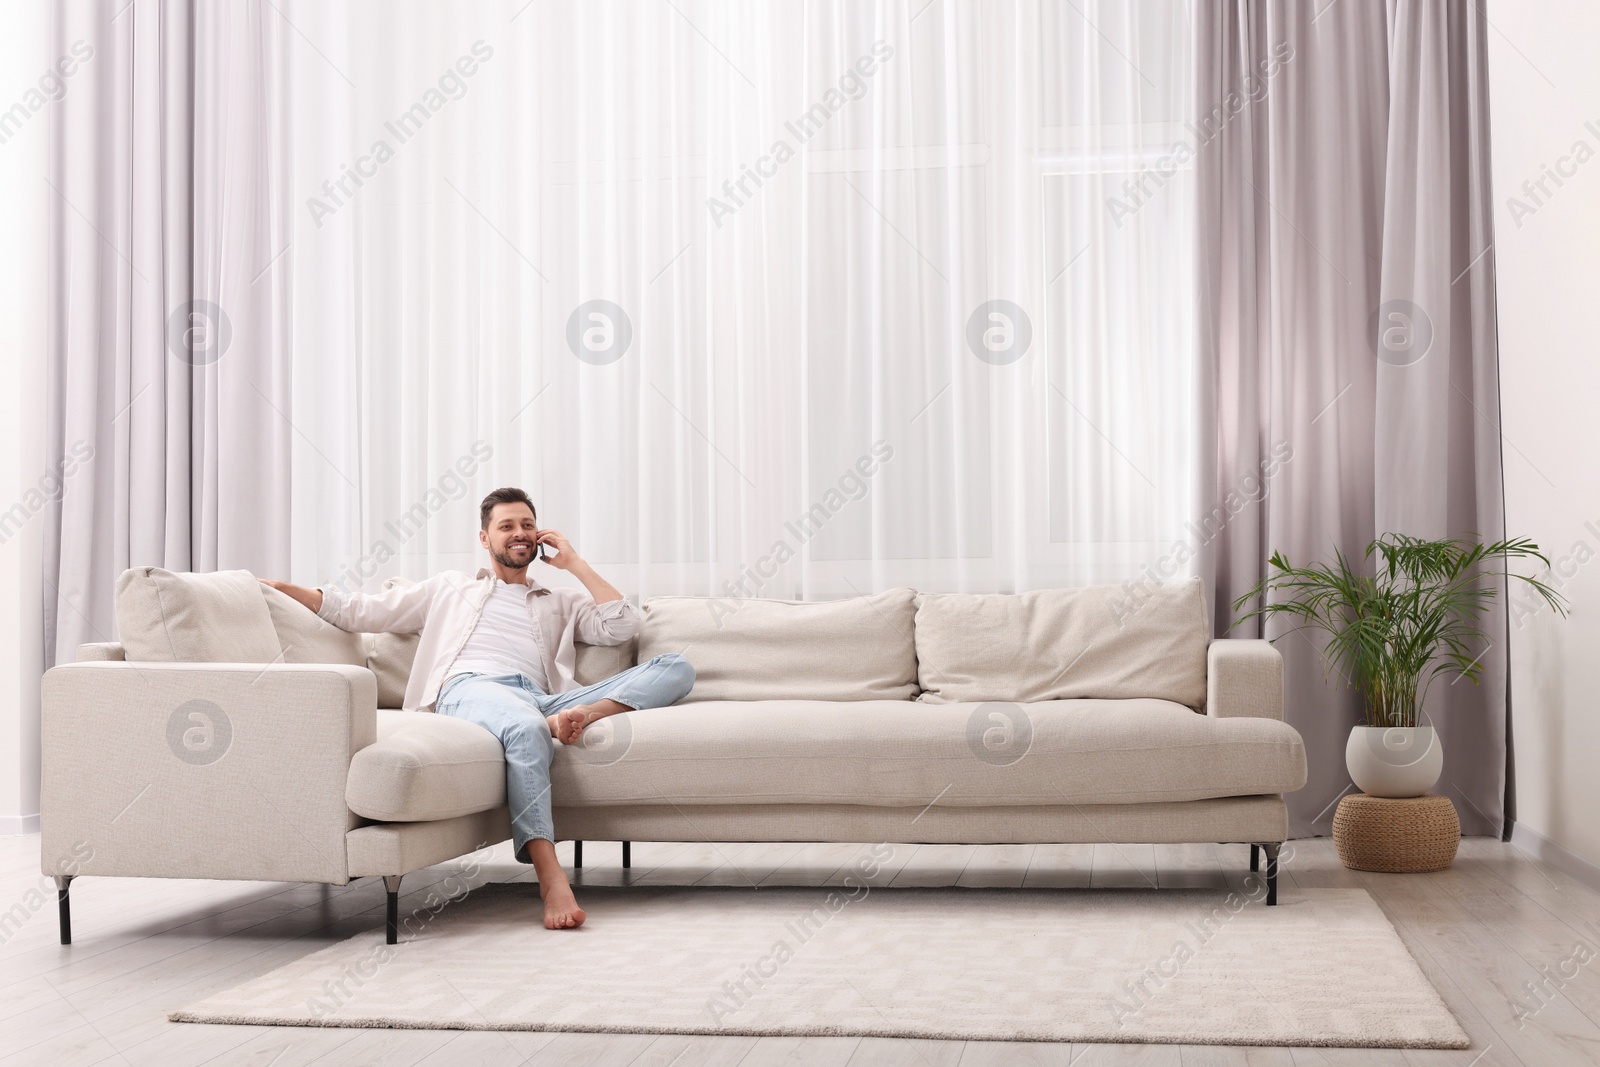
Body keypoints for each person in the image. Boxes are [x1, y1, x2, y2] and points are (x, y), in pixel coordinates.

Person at [261, 487, 694, 929]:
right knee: (526, 727)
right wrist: (284, 588)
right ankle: (551, 877)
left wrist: (574, 564)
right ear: (485, 539)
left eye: (527, 525)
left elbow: (624, 624)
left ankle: (584, 715)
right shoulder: (450, 588)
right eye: (506, 526)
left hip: (542, 698)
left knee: (676, 667)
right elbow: (360, 611)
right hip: (472, 688)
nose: (519, 533)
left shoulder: (559, 601)